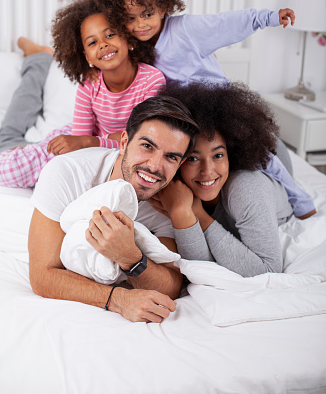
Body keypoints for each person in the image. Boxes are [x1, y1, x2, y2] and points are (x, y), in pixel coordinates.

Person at [105, 0, 315, 219]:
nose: (140, 25)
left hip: (218, 105)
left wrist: (269, 17)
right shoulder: (138, 48)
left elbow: (227, 23)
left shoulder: (186, 29)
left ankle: (299, 198)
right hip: (184, 114)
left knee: (263, 156)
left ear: (163, 7)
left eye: (147, 14)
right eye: (130, 19)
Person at [28, 95, 199, 323]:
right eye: (147, 146)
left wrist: (129, 257)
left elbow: (172, 285)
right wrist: (117, 299)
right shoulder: (66, 172)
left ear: (180, 163)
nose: (155, 166)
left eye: (171, 157)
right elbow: (42, 276)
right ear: (124, 142)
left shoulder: (168, 201)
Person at [0, 0, 165, 188]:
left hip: (94, 144)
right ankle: (38, 58)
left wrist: (92, 142)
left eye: (110, 34)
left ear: (128, 40)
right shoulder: (90, 83)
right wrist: (90, 142)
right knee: (6, 162)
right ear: (87, 57)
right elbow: (81, 139)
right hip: (84, 141)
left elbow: (140, 141)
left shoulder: (152, 81)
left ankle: (40, 58)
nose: (103, 44)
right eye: (93, 42)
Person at [150, 81, 306, 277]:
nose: (207, 171)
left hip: (271, 161)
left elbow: (268, 270)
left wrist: (198, 214)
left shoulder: (246, 187)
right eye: (193, 158)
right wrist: (183, 215)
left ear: (231, 154)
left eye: (218, 155)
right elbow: (200, 265)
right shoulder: (176, 187)